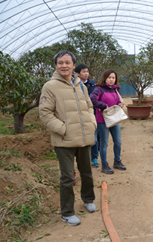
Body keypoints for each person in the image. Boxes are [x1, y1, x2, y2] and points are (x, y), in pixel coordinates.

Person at [39, 50, 97, 226]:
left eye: (67, 62)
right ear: (56, 65)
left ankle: (88, 199)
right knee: (67, 177)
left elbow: (89, 107)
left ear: (73, 66)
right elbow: (45, 113)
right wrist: (63, 129)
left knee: (87, 172)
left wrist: (91, 123)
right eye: (60, 63)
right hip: (64, 140)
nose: (64, 66)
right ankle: (67, 212)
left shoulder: (81, 86)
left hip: (84, 136)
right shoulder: (50, 86)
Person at [90, 70, 127, 174]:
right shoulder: (99, 89)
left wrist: (120, 104)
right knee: (104, 143)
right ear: (105, 78)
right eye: (109, 77)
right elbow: (91, 99)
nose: (111, 80)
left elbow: (117, 101)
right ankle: (104, 165)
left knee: (118, 141)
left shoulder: (116, 90)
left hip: (115, 119)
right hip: (102, 120)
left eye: (113, 78)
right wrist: (104, 105)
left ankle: (117, 161)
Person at [75, 64, 100, 168]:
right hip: (78, 115)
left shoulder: (93, 84)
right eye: (83, 71)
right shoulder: (74, 85)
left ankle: (94, 158)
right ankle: (83, 160)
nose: (86, 74)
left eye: (87, 71)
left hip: (91, 114)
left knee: (94, 138)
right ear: (77, 73)